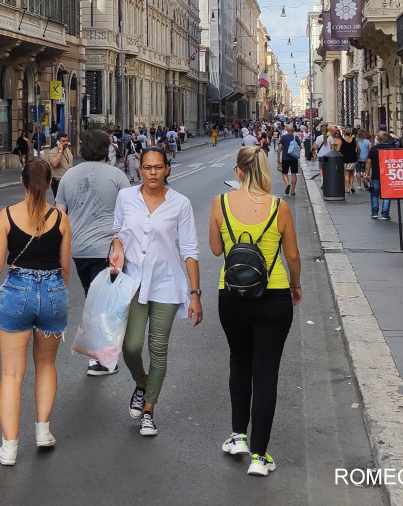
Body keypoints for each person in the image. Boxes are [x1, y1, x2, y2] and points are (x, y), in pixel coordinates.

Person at [208, 146, 301, 477]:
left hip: (232, 295)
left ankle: (238, 437)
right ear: (265, 171)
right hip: (273, 294)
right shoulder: (280, 207)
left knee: (239, 360)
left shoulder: (221, 203)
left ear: (238, 172)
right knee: (266, 372)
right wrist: (296, 285)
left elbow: (216, 249)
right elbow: (292, 256)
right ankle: (260, 458)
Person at [0, 159, 73, 466]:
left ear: (23, 183)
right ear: (49, 184)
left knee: (11, 374)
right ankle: (43, 432)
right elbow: (64, 267)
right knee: (46, 364)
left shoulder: (6, 216)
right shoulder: (60, 218)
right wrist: (58, 293)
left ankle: (9, 448)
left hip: (17, 293)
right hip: (53, 293)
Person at [108, 147, 202, 437]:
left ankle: (149, 410)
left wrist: (196, 293)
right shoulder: (126, 197)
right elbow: (116, 231)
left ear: (167, 170)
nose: (152, 172)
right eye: (147, 167)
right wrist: (118, 248)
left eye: (158, 167)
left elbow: (189, 249)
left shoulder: (180, 204)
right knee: (131, 346)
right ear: (140, 170)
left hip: (167, 284)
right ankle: (142, 382)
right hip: (134, 281)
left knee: (158, 349)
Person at [56, 130, 130, 375]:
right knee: (105, 303)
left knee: (94, 297)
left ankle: (100, 355)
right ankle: (102, 357)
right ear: (105, 149)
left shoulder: (68, 176)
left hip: (78, 248)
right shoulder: (117, 176)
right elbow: (128, 213)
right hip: (108, 248)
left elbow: (59, 216)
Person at [366, 130, 399, 220]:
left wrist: (366, 173)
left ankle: (374, 212)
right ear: (386, 138)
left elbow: (369, 161)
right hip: (388, 174)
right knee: (387, 194)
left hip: (376, 175)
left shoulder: (373, 148)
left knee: (374, 194)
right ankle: (385, 213)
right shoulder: (391, 148)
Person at [46, 132, 73, 197]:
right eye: (63, 141)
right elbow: (55, 163)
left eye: (66, 141)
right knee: (60, 203)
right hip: (58, 181)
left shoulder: (67, 150)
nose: (65, 143)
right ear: (58, 142)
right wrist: (60, 151)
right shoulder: (53, 152)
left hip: (68, 180)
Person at [279, 126, 300, 197]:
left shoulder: (283, 137)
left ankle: (287, 184)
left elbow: (279, 147)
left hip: (285, 158)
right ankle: (293, 191)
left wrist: (278, 156)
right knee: (294, 174)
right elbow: (299, 147)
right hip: (294, 158)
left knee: (284, 173)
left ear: (287, 130)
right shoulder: (296, 137)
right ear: (293, 130)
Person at [340, 128, 359, 193]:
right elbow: (358, 149)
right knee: (351, 173)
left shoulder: (342, 140)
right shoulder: (354, 139)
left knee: (346, 173)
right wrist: (358, 155)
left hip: (345, 158)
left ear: (344, 133)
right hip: (353, 158)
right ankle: (351, 185)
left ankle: (348, 188)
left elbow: (339, 149)